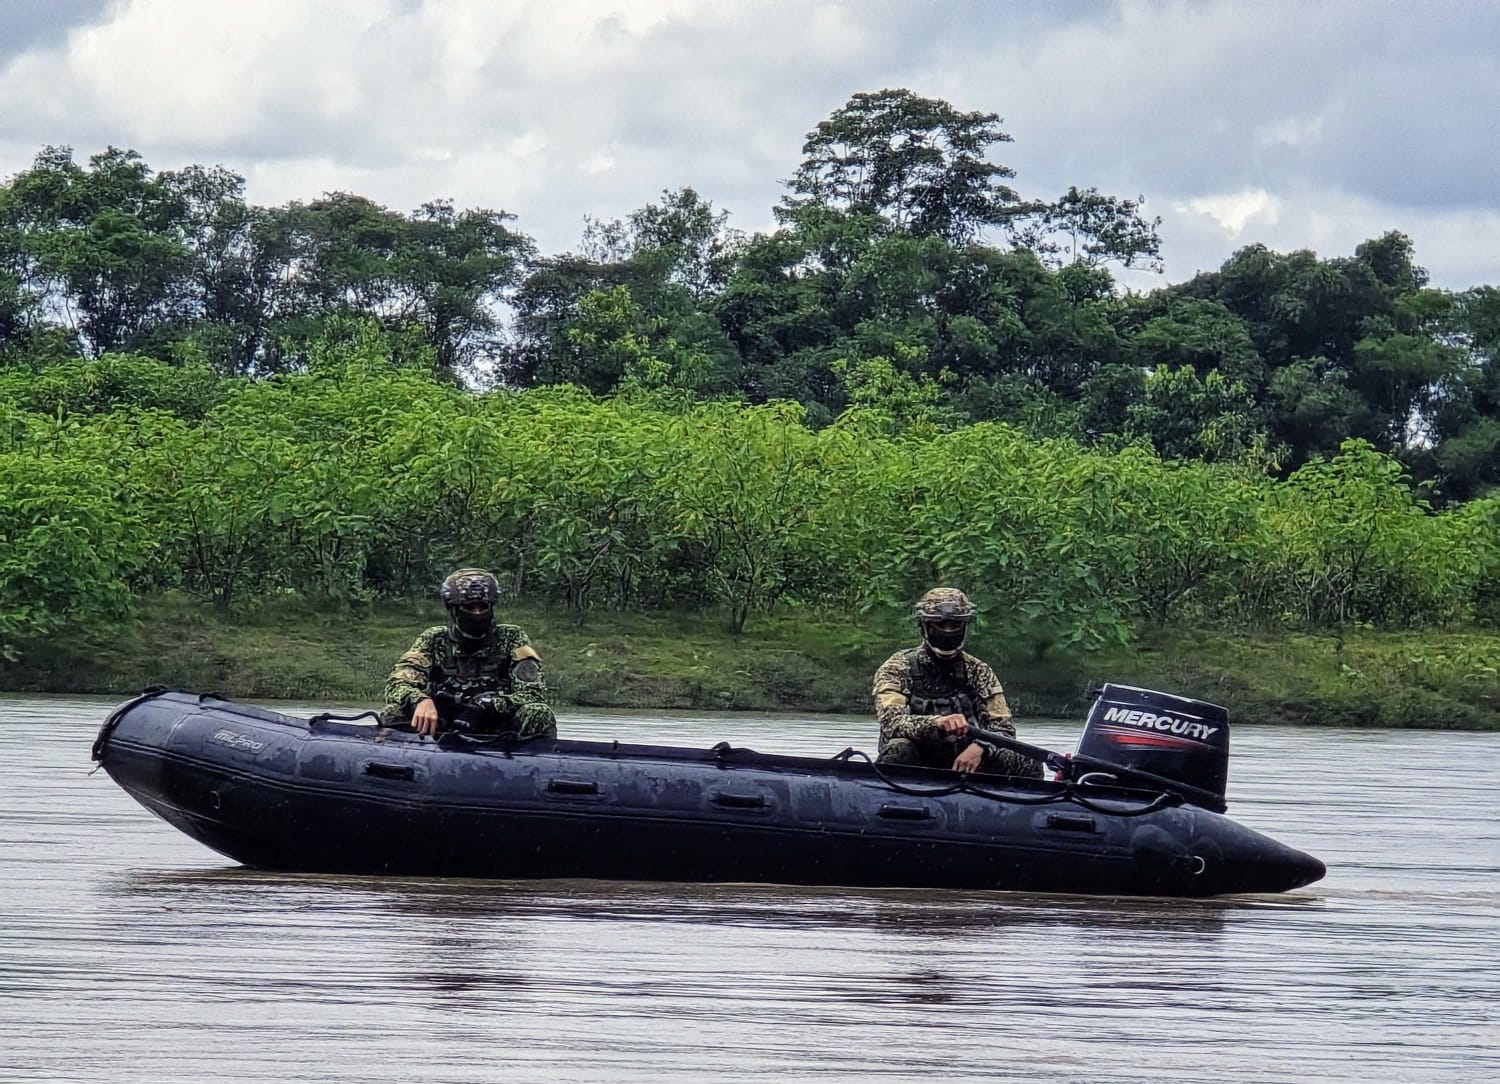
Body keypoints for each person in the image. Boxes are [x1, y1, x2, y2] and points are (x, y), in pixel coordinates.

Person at [872, 587, 1042, 776]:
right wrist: (937, 723)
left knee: (1028, 759)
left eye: (955, 625)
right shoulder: (898, 667)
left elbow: (1004, 728)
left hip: (967, 761)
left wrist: (980, 748)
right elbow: (892, 723)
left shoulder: (978, 670)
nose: (948, 631)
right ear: (925, 625)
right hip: (917, 759)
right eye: (941, 624)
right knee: (898, 749)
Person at [381, 568, 558, 739]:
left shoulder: (511, 638)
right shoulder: (435, 639)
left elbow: (532, 693)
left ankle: (533, 765)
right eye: (470, 607)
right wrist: (420, 700)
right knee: (393, 712)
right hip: (443, 723)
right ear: (454, 609)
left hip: (495, 724)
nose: (477, 613)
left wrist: (485, 706)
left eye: (483, 606)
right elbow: (397, 683)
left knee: (539, 713)